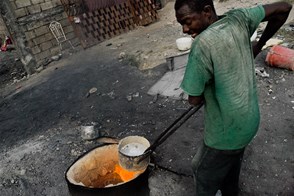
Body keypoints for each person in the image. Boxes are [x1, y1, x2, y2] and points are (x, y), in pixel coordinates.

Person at [174, 0, 292, 195]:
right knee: (230, 163)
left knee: (202, 171)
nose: (185, 30)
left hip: (226, 133)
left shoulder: (202, 44)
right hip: (248, 122)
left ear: (207, 12)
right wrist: (259, 45)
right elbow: (284, 7)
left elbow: (193, 99)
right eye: (181, 24)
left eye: (187, 21)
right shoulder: (239, 17)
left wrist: (206, 87)